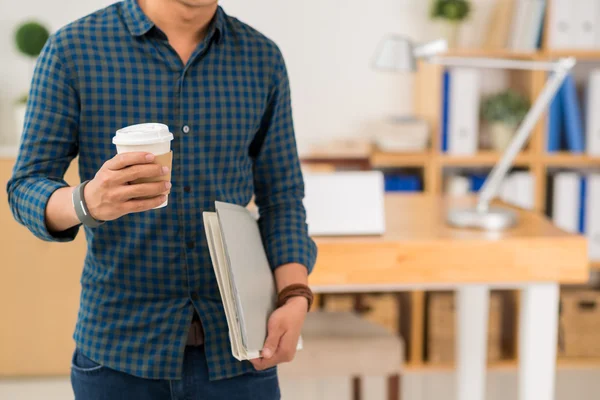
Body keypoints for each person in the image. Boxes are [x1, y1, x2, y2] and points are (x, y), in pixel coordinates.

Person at [6, 0, 317, 398]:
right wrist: (88, 201)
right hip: (118, 353)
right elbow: (26, 185)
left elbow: (283, 197)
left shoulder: (261, 57)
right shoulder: (74, 49)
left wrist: (294, 295)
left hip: (239, 352)